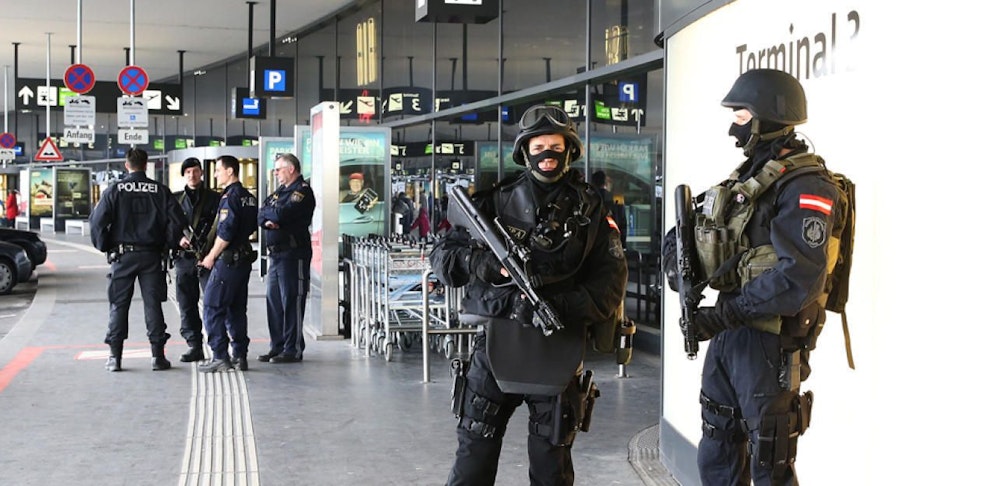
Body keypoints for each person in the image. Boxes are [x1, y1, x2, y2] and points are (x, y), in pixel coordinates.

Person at [661, 69, 848, 484]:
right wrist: (679, 267)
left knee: (769, 463)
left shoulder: (806, 186)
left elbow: (799, 278)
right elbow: (682, 232)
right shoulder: (743, 179)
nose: (733, 127)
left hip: (770, 342)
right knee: (717, 446)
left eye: (741, 116)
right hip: (728, 335)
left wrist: (723, 316)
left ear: (768, 117)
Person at [430, 104, 627, 485]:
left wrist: (560, 306)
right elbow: (443, 256)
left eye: (555, 145)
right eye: (539, 146)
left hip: (558, 349)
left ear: (569, 150)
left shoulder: (592, 209)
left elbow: (610, 285)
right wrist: (481, 264)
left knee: (551, 468)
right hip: (495, 346)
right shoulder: (491, 203)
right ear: (524, 152)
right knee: (472, 462)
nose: (547, 154)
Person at [89, 148, 186, 372]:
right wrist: (166, 244)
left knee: (118, 305)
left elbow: (97, 222)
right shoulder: (160, 190)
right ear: (146, 164)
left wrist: (105, 245)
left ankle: (115, 357)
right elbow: (177, 221)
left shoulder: (115, 190)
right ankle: (157, 357)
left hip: (123, 256)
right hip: (152, 255)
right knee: (153, 305)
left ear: (127, 165)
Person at [197, 155, 259, 372]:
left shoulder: (230, 198)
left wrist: (211, 256)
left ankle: (220, 356)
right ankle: (240, 356)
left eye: (218, 170)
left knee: (213, 306)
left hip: (228, 261)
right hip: (243, 260)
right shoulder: (248, 197)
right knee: (236, 309)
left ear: (230, 171)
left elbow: (225, 233)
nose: (215, 174)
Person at [257, 153, 316, 364]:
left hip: (293, 254)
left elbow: (283, 215)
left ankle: (293, 348)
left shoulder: (302, 192)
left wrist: (275, 217)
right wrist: (270, 218)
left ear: (291, 169)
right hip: (275, 255)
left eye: (279, 169)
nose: (276, 173)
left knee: (291, 300)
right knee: (274, 301)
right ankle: (278, 346)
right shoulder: (279, 193)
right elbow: (262, 214)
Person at [172, 157, 221, 363]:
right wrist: (177, 239)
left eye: (195, 171)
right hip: (184, 258)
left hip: (209, 258)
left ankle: (218, 346)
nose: (192, 175)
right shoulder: (175, 199)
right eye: (188, 172)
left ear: (202, 173)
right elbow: (169, 225)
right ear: (183, 175)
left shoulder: (214, 198)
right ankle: (194, 345)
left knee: (213, 303)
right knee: (186, 303)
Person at [590, 170, 627, 248]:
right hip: (611, 243)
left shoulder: (589, 199)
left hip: (593, 245)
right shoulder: (616, 199)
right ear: (605, 183)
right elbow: (622, 224)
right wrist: (622, 245)